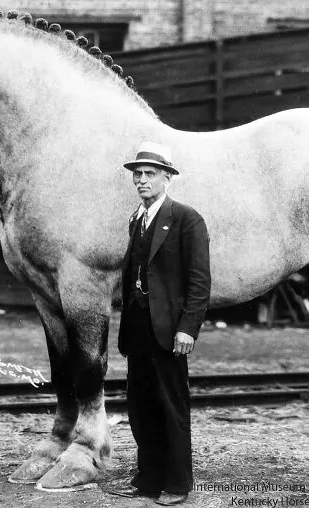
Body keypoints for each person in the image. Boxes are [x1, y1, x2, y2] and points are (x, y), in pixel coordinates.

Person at [110, 141, 211, 506]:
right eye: (137, 174)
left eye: (150, 174)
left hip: (169, 330)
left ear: (168, 177)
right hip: (137, 328)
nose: (141, 180)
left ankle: (178, 482)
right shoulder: (136, 219)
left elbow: (199, 281)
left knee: (171, 404)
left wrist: (188, 328)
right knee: (140, 405)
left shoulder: (186, 219)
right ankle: (148, 478)